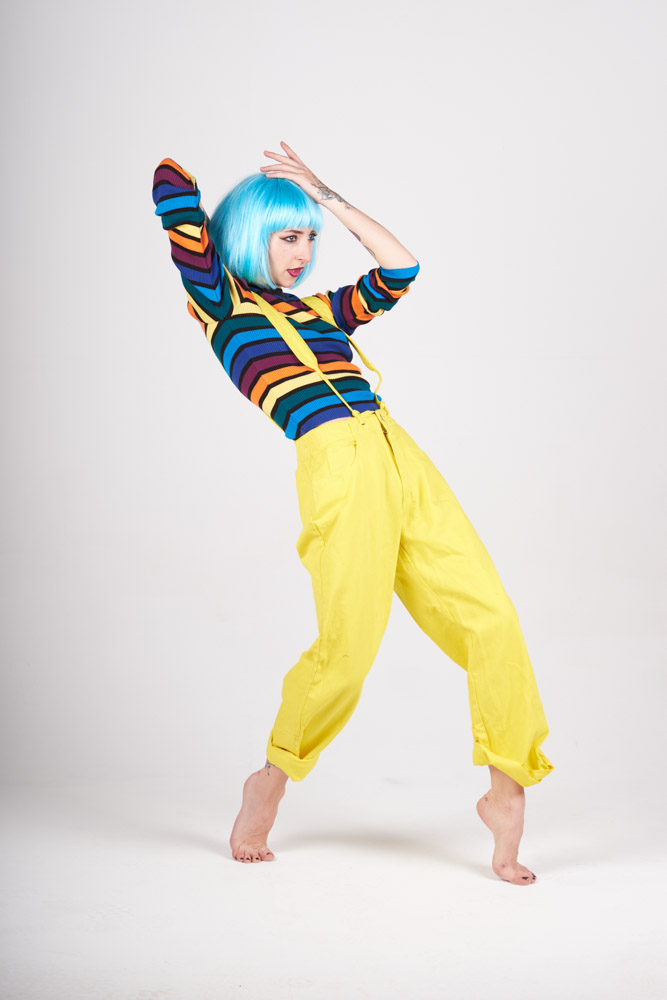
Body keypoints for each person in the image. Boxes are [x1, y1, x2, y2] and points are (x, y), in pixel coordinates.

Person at [152, 141, 554, 885]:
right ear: (249, 236)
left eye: (308, 238)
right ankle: (271, 778)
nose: (302, 253)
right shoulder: (219, 301)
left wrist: (322, 193)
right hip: (335, 460)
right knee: (349, 647)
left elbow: (400, 268)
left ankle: (505, 791)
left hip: (399, 451)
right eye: (286, 237)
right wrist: (244, 194)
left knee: (492, 618)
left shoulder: (320, 312)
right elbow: (172, 186)